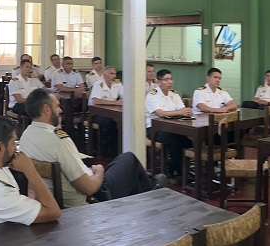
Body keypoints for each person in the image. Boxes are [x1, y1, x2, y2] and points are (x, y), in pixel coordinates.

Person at [19, 88, 164, 208]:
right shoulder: (59, 141)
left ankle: (148, 193)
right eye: (57, 106)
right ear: (46, 109)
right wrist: (99, 171)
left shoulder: (26, 136)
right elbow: (88, 188)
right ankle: (152, 192)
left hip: (56, 197)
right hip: (90, 199)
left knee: (124, 167)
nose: (61, 110)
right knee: (129, 159)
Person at [145, 69, 193, 178]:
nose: (170, 82)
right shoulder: (152, 95)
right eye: (166, 80)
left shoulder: (174, 95)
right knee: (175, 141)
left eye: (171, 79)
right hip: (155, 130)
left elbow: (182, 109)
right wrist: (180, 112)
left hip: (174, 128)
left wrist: (187, 111)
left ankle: (173, 165)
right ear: (158, 81)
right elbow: (160, 113)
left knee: (188, 142)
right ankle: (182, 172)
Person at [88, 66, 124, 157]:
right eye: (111, 74)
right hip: (97, 113)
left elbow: (125, 95)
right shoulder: (98, 84)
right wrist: (115, 103)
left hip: (112, 112)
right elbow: (96, 101)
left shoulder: (117, 83)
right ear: (104, 75)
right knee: (109, 123)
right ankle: (106, 151)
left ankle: (118, 149)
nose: (114, 76)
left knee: (121, 122)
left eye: (115, 73)